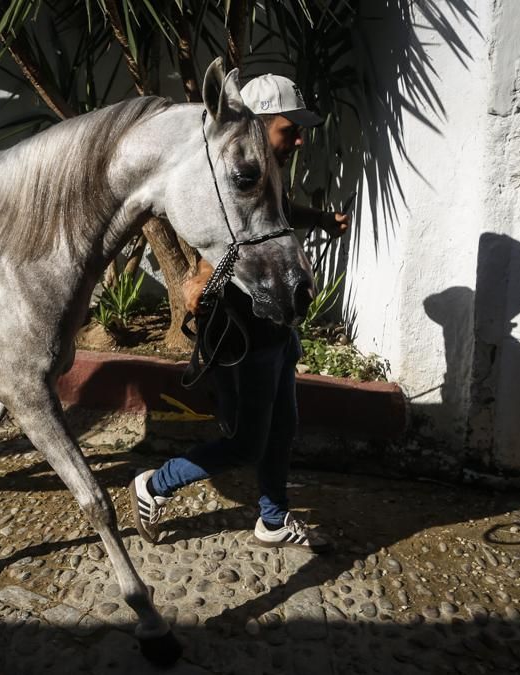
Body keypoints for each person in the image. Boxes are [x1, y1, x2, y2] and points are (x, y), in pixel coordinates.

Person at [129, 74, 350, 553]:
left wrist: (319, 219)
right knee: (246, 442)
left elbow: (277, 212)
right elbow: (220, 222)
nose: (299, 138)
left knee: (284, 426)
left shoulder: (269, 167)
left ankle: (272, 518)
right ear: (258, 124)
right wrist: (203, 273)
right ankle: (154, 485)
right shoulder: (232, 168)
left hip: (275, 326)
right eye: (290, 128)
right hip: (239, 329)